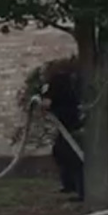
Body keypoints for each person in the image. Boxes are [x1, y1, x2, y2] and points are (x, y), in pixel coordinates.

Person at [37, 62, 84, 201]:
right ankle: (69, 185)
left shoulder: (54, 82)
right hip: (71, 121)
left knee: (72, 157)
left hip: (67, 122)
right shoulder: (67, 80)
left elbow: (46, 104)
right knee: (61, 152)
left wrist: (38, 102)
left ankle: (81, 192)